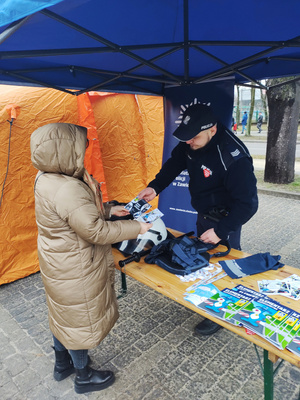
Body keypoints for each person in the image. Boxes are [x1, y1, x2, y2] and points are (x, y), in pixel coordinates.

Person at [30, 123, 152, 395]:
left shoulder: (46, 177)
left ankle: (62, 365)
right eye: (79, 149)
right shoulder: (66, 188)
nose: (84, 153)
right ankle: (83, 377)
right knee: (76, 321)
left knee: (63, 315)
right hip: (76, 264)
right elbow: (95, 231)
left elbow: (77, 215)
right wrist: (138, 227)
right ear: (62, 151)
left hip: (59, 261)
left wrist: (110, 209)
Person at [138, 103, 258, 336]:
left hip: (226, 220)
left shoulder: (234, 157)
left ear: (212, 130)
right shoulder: (191, 143)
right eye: (186, 137)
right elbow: (174, 164)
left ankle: (222, 313)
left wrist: (221, 231)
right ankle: (209, 300)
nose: (188, 142)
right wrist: (155, 187)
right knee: (203, 260)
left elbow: (248, 204)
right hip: (204, 215)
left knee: (224, 265)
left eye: (193, 137)